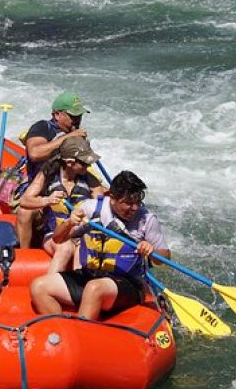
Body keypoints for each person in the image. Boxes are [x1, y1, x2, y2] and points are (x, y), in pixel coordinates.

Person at [29, 171, 170, 321]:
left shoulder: (147, 219)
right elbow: (58, 239)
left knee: (94, 289)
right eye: (128, 203)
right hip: (90, 275)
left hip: (127, 284)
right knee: (39, 286)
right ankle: (61, 329)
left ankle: (83, 333)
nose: (134, 208)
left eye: (137, 202)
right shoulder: (91, 208)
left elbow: (164, 257)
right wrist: (69, 223)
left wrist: (151, 250)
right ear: (112, 198)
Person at [15, 91, 90, 248]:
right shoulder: (43, 127)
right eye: (73, 116)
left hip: (67, 191)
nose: (77, 120)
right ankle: (25, 256)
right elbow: (35, 153)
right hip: (40, 192)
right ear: (56, 115)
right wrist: (67, 138)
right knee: (25, 212)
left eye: (79, 116)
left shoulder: (76, 135)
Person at [19, 137, 104, 273]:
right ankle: (49, 288)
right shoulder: (47, 174)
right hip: (54, 235)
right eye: (84, 162)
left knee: (83, 246)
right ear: (70, 163)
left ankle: (78, 287)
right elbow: (24, 200)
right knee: (66, 247)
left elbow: (102, 207)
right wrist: (47, 200)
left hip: (81, 234)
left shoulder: (90, 179)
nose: (88, 166)